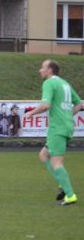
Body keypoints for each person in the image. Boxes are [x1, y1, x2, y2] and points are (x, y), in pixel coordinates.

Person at [23, 60, 81, 205]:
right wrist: (68, 115)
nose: (40, 70)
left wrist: (30, 113)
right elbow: (79, 104)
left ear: (49, 70)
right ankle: (62, 184)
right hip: (66, 126)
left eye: (42, 67)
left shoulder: (49, 83)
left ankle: (70, 194)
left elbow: (46, 105)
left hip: (58, 128)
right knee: (43, 155)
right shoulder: (65, 83)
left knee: (56, 161)